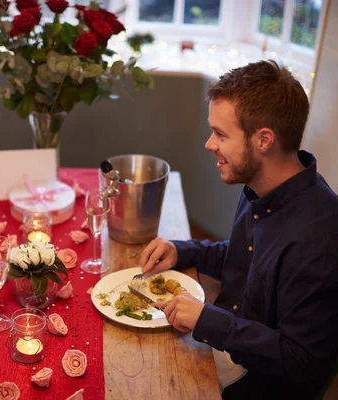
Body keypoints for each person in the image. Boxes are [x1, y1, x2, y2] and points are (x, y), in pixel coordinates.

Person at [140, 60, 338, 399]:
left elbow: (301, 364)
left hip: (259, 384)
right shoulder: (263, 189)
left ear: (263, 140)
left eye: (220, 134)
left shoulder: (318, 237)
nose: (209, 144)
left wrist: (209, 321)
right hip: (229, 348)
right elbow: (243, 257)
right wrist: (181, 250)